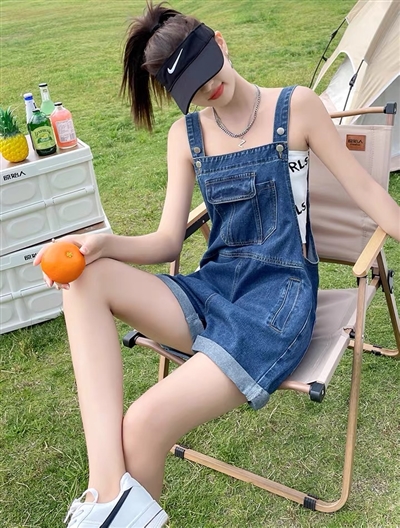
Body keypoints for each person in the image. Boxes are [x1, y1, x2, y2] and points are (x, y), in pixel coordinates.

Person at [34, 2, 400, 527]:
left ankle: (106, 508)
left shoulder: (297, 107)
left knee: (143, 423)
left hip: (277, 301)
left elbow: (366, 192)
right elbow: (167, 241)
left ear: (220, 42)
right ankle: (105, 495)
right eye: (191, 87)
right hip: (215, 288)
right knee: (84, 280)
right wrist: (103, 244)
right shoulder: (185, 137)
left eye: (207, 70)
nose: (208, 89)